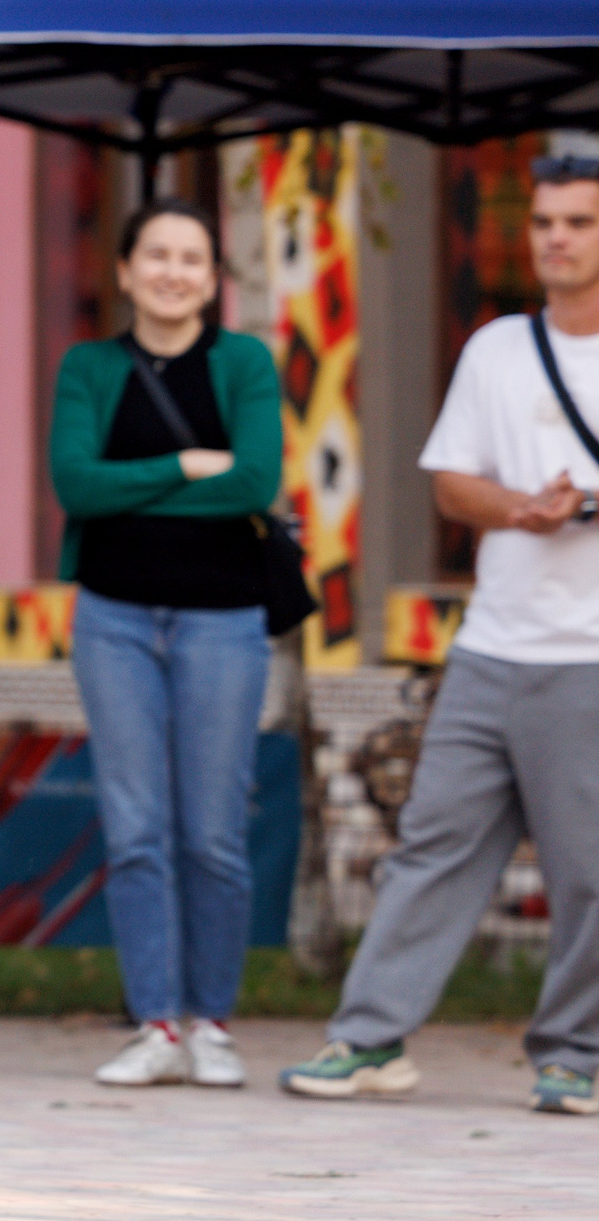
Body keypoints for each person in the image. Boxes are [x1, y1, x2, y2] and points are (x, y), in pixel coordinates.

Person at [282, 156, 599, 1117]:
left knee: (587, 866)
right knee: (430, 846)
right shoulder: (498, 347)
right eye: (544, 221)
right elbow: (451, 481)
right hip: (491, 646)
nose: (555, 239)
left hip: (589, 654)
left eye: (578, 223)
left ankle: (574, 1054)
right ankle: (370, 1038)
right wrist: (522, 508)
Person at [50, 198, 284, 1089]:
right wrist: (188, 468)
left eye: (192, 257)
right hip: (113, 619)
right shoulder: (89, 366)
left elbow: (257, 482)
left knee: (215, 832)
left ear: (213, 277)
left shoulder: (246, 363)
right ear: (125, 270)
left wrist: (135, 487)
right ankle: (157, 1025)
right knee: (139, 828)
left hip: (224, 620)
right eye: (157, 255)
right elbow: (76, 484)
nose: (174, 271)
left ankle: (213, 1021)